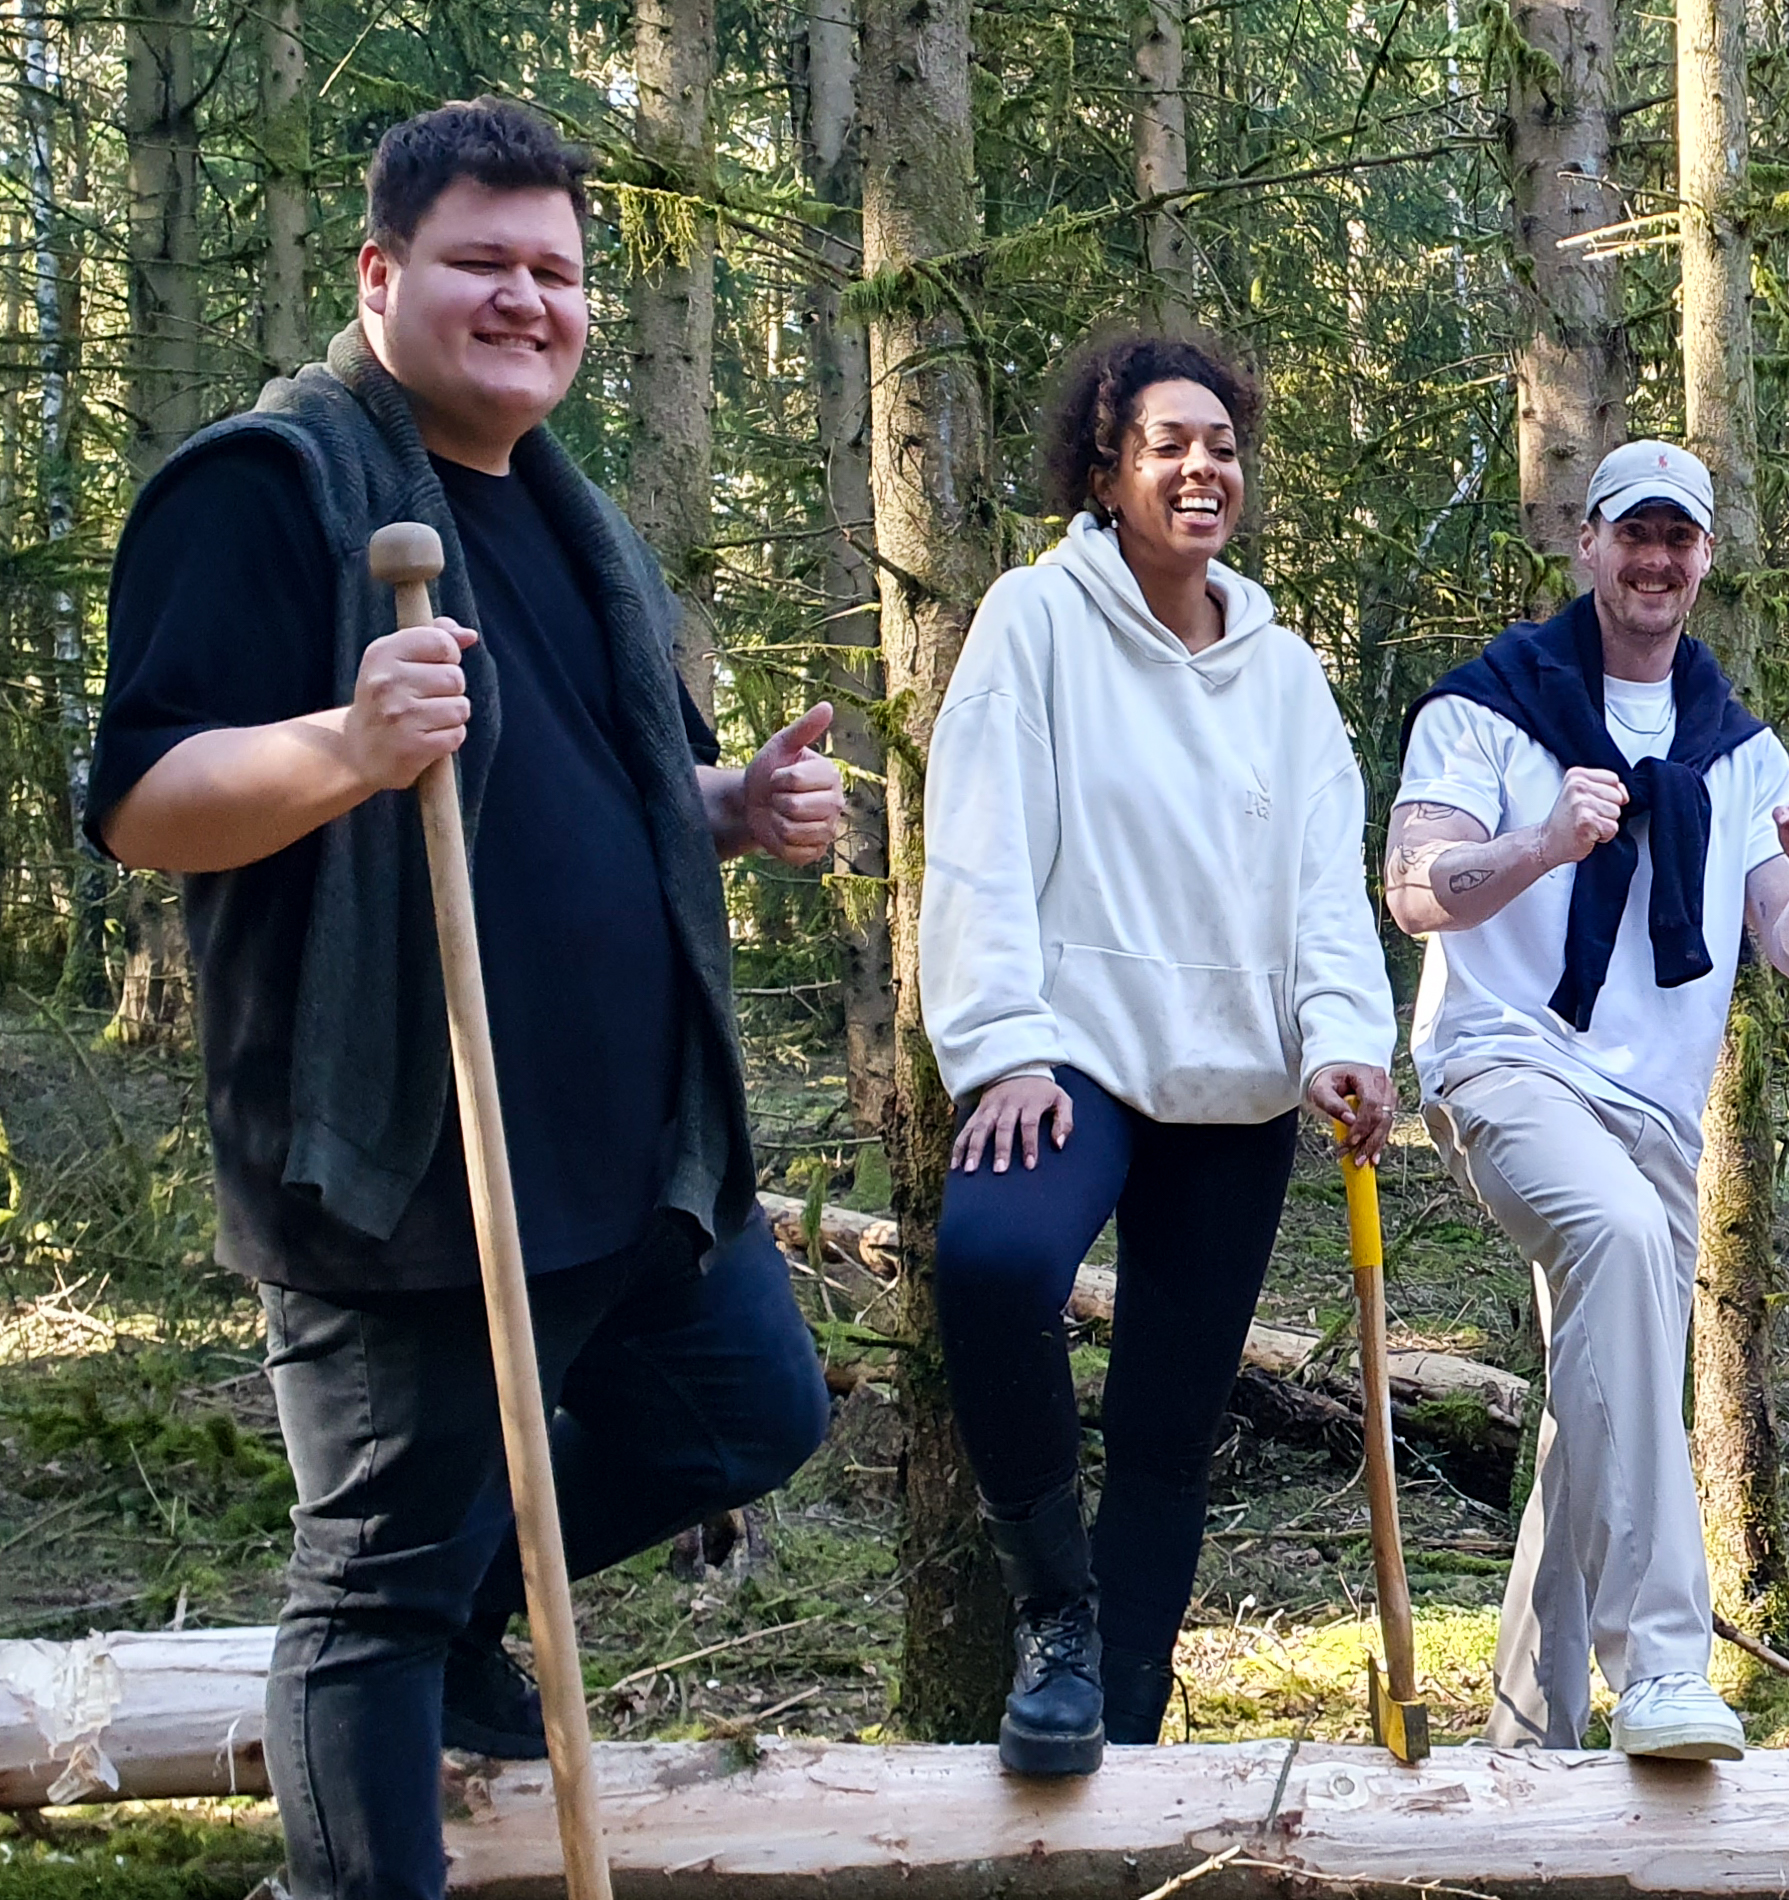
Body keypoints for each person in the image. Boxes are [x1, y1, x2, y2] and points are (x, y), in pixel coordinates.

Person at [87, 100, 838, 1900]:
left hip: (637, 1141)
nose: (527, 301)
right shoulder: (268, 487)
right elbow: (139, 803)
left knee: (746, 1413)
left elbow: (598, 792)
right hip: (411, 1157)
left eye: (556, 272)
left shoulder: (577, 525)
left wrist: (729, 813)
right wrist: (343, 745)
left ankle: (459, 1608)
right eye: (481, 262)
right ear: (379, 272)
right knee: (367, 1584)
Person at [919, 333, 1398, 1772]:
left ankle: (1115, 1716)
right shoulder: (1034, 620)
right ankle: (1054, 1617)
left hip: (1232, 1084)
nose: (1203, 467)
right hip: (1070, 1051)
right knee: (996, 1263)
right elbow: (983, 839)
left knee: (1168, 1417)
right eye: (1168, 444)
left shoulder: (1282, 672)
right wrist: (999, 1043)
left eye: (1223, 446)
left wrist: (1344, 1042)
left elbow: (1323, 885)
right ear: (1107, 469)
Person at [1383, 440, 1789, 1759]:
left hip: (1653, 1115)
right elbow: (1412, 888)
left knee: (1606, 1393)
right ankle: (1661, 1661)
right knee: (1621, 1245)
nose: (1654, 559)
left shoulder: (1736, 752)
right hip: (1501, 1065)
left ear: (1703, 560)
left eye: (1678, 539)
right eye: (1629, 533)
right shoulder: (1488, 708)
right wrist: (1539, 841)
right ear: (1582, 545)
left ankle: (1530, 1741)